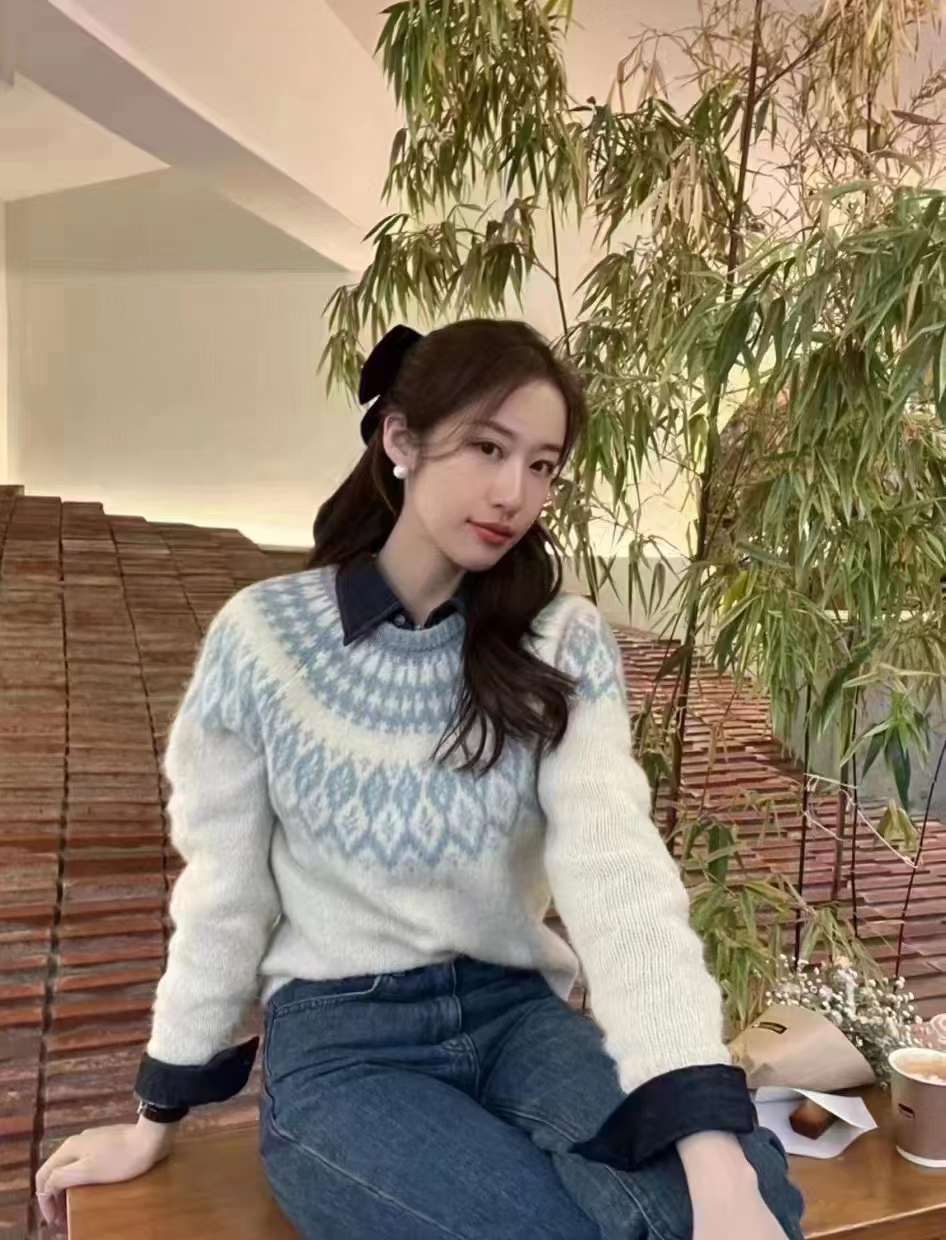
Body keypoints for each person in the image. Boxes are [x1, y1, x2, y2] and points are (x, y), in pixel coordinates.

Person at [34, 319, 804, 1239]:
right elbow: (225, 894)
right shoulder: (264, 639)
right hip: (344, 1044)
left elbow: (619, 878)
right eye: (488, 448)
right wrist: (155, 1112)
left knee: (746, 1194)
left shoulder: (559, 642)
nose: (514, 493)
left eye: (543, 466)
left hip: (518, 1014)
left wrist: (711, 1158)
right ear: (401, 439)